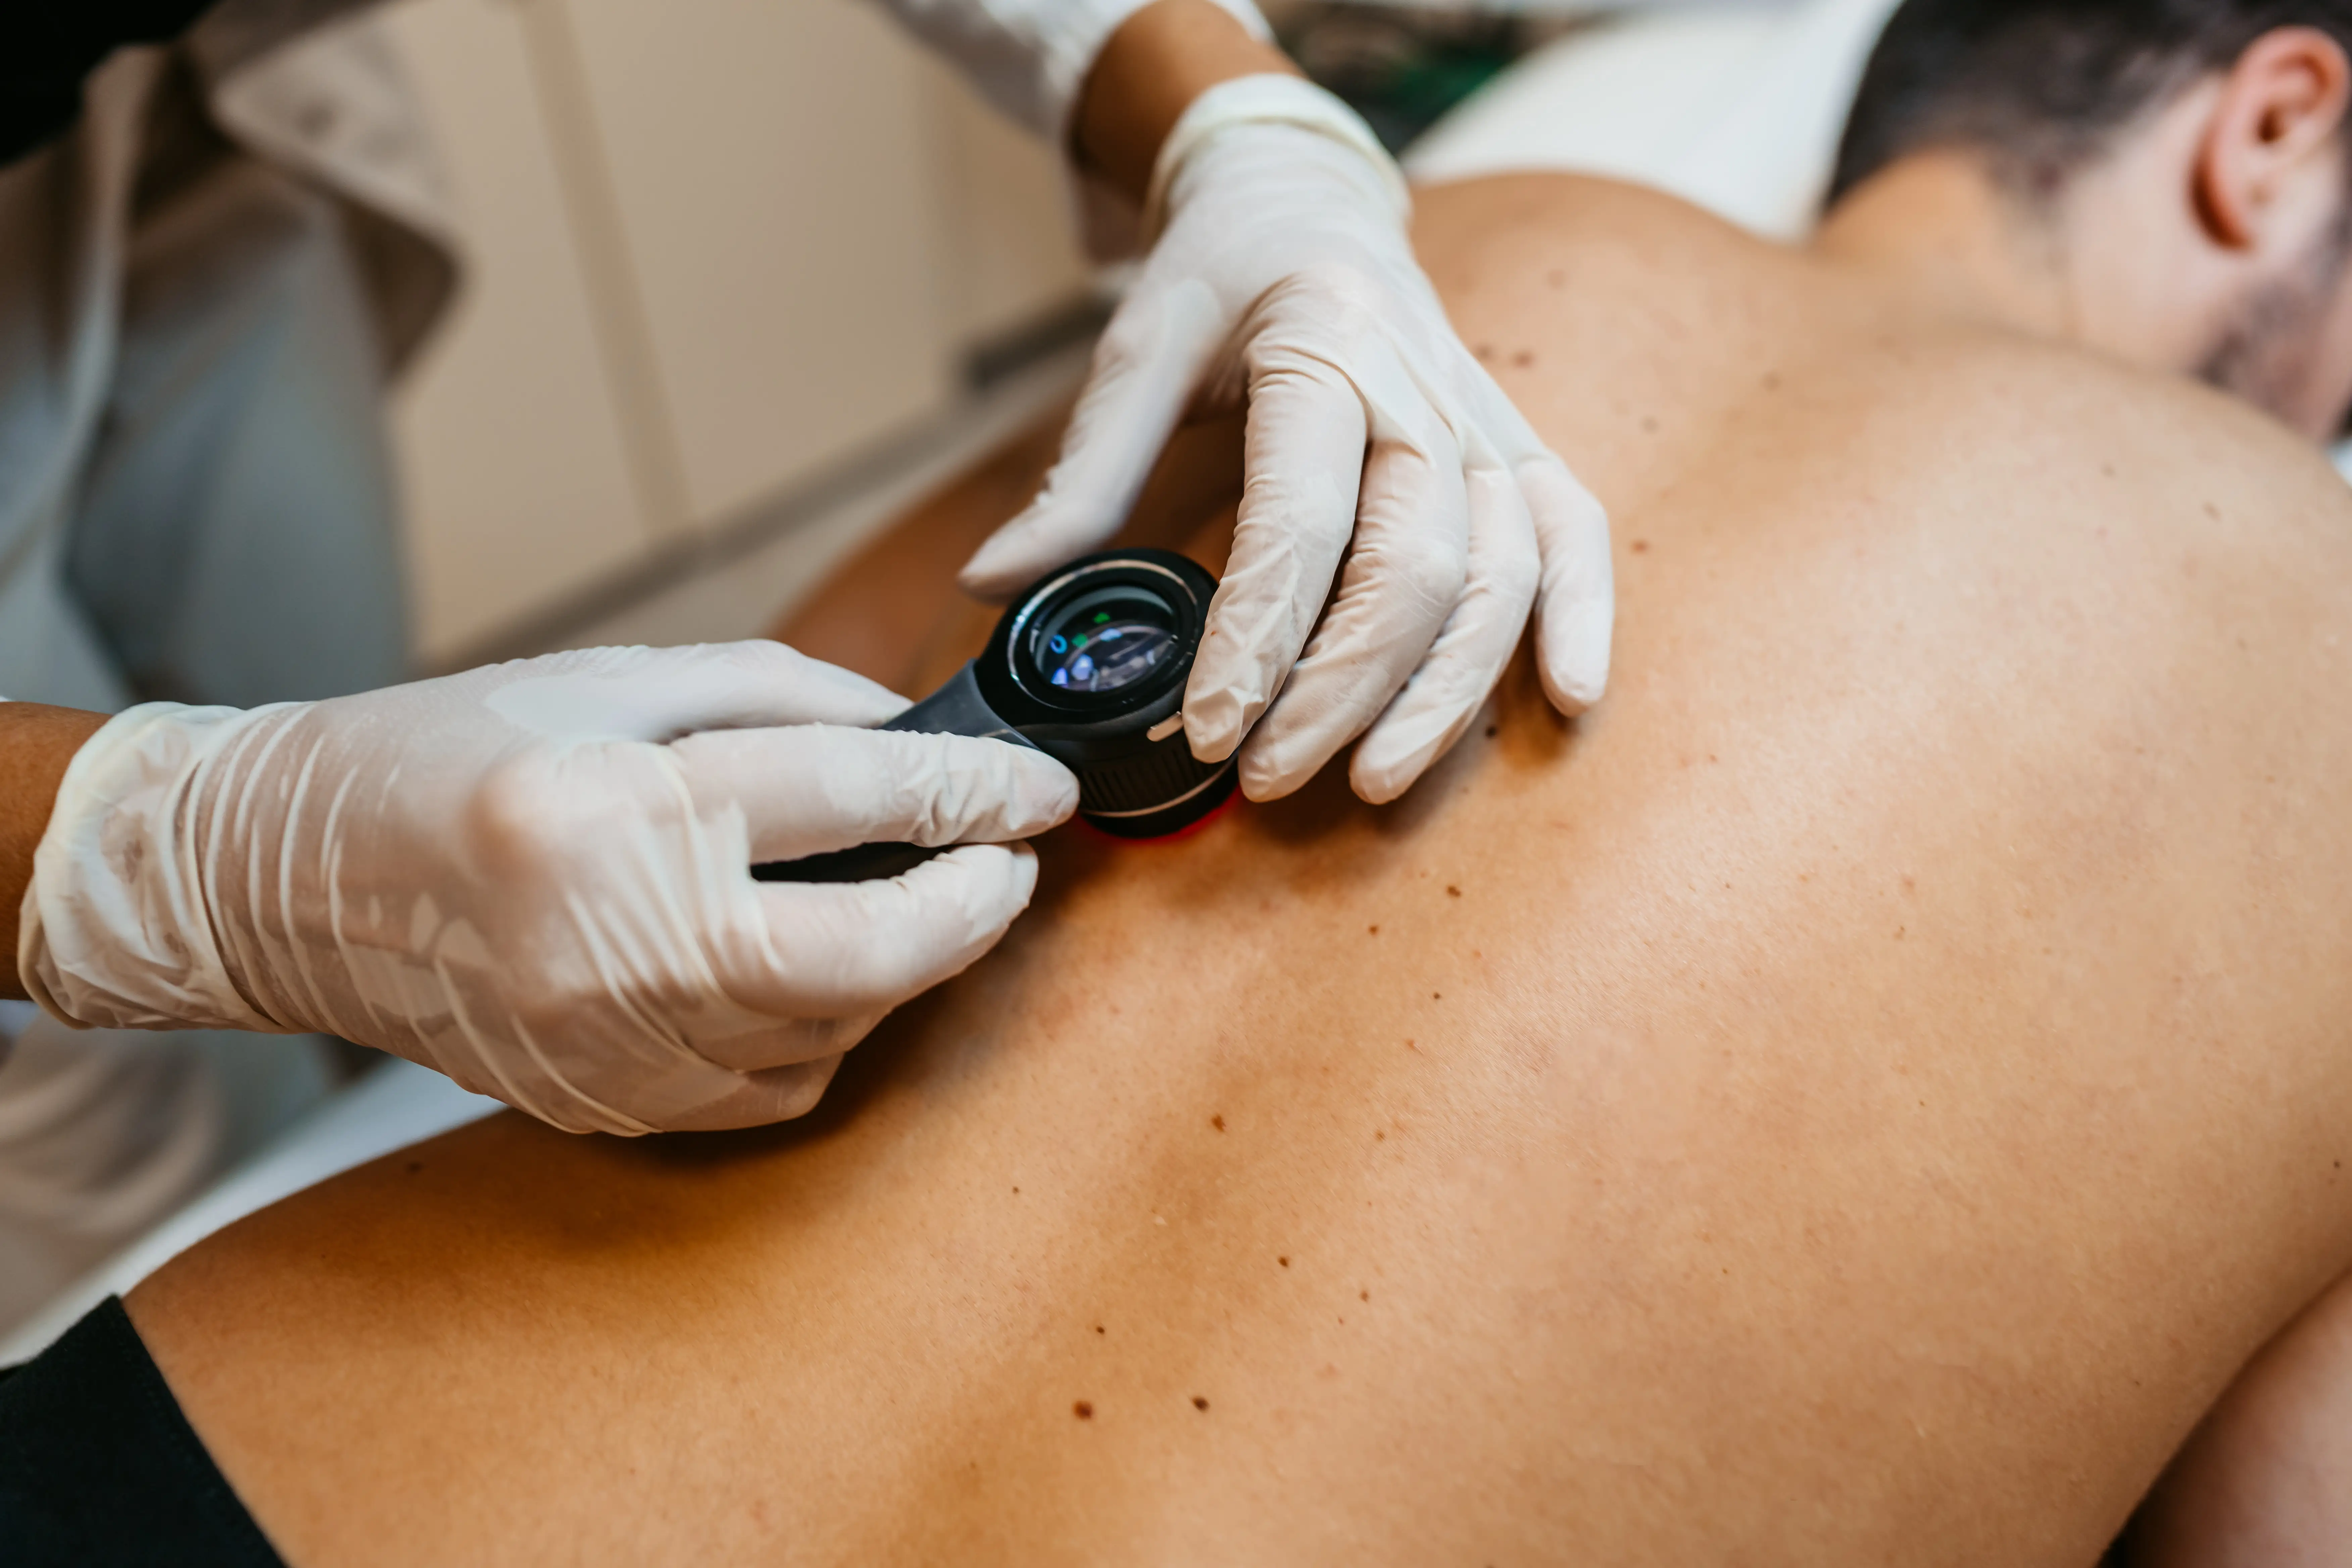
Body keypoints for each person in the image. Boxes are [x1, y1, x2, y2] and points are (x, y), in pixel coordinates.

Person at [7, 0, 2351, 1558]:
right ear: (2270, 129)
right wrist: (176, 852)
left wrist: (1217, 104)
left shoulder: (1437, 250)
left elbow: (811, 672)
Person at [0, 0, 1610, 1176]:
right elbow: (208, 849)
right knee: (100, 1084)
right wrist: (175, 856)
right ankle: (213, 1144)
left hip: (174, 108)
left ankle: (343, 1073)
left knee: (300, 656)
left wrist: (1240, 123)